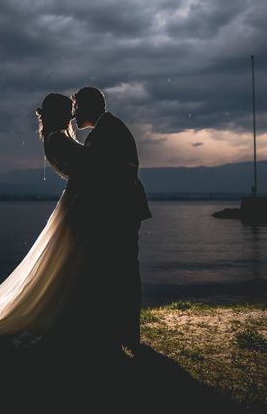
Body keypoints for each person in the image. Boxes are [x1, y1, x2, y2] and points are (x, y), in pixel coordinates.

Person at [0, 93, 95, 346]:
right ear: (60, 113)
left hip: (77, 200)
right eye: (69, 110)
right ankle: (66, 315)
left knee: (66, 261)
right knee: (70, 260)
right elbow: (89, 165)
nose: (73, 115)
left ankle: (75, 312)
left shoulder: (53, 138)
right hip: (79, 202)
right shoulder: (59, 139)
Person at [71, 86, 152, 353]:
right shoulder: (109, 128)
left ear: (89, 106)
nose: (74, 114)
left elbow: (100, 174)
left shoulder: (106, 132)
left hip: (119, 212)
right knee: (119, 270)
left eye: (77, 107)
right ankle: (121, 332)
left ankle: (125, 334)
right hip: (121, 210)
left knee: (121, 271)